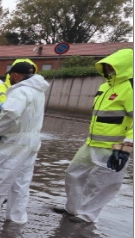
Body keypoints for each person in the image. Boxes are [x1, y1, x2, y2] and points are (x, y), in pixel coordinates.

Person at [57, 48, 133, 222]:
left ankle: (88, 215)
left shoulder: (130, 87)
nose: (108, 69)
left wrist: (128, 144)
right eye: (106, 66)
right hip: (91, 143)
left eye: (112, 66)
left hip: (114, 147)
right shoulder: (105, 86)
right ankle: (74, 208)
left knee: (103, 183)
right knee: (73, 173)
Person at [0, 61, 48, 223]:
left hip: (13, 141)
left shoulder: (20, 91)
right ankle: (16, 217)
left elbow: (10, 112)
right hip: (32, 141)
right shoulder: (38, 91)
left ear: (15, 75)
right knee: (21, 182)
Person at [0, 58, 38, 197]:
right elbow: (3, 106)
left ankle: (0, 199)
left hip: (15, 142)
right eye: (23, 76)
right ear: (13, 74)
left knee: (8, 173)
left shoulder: (31, 93)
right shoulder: (1, 88)